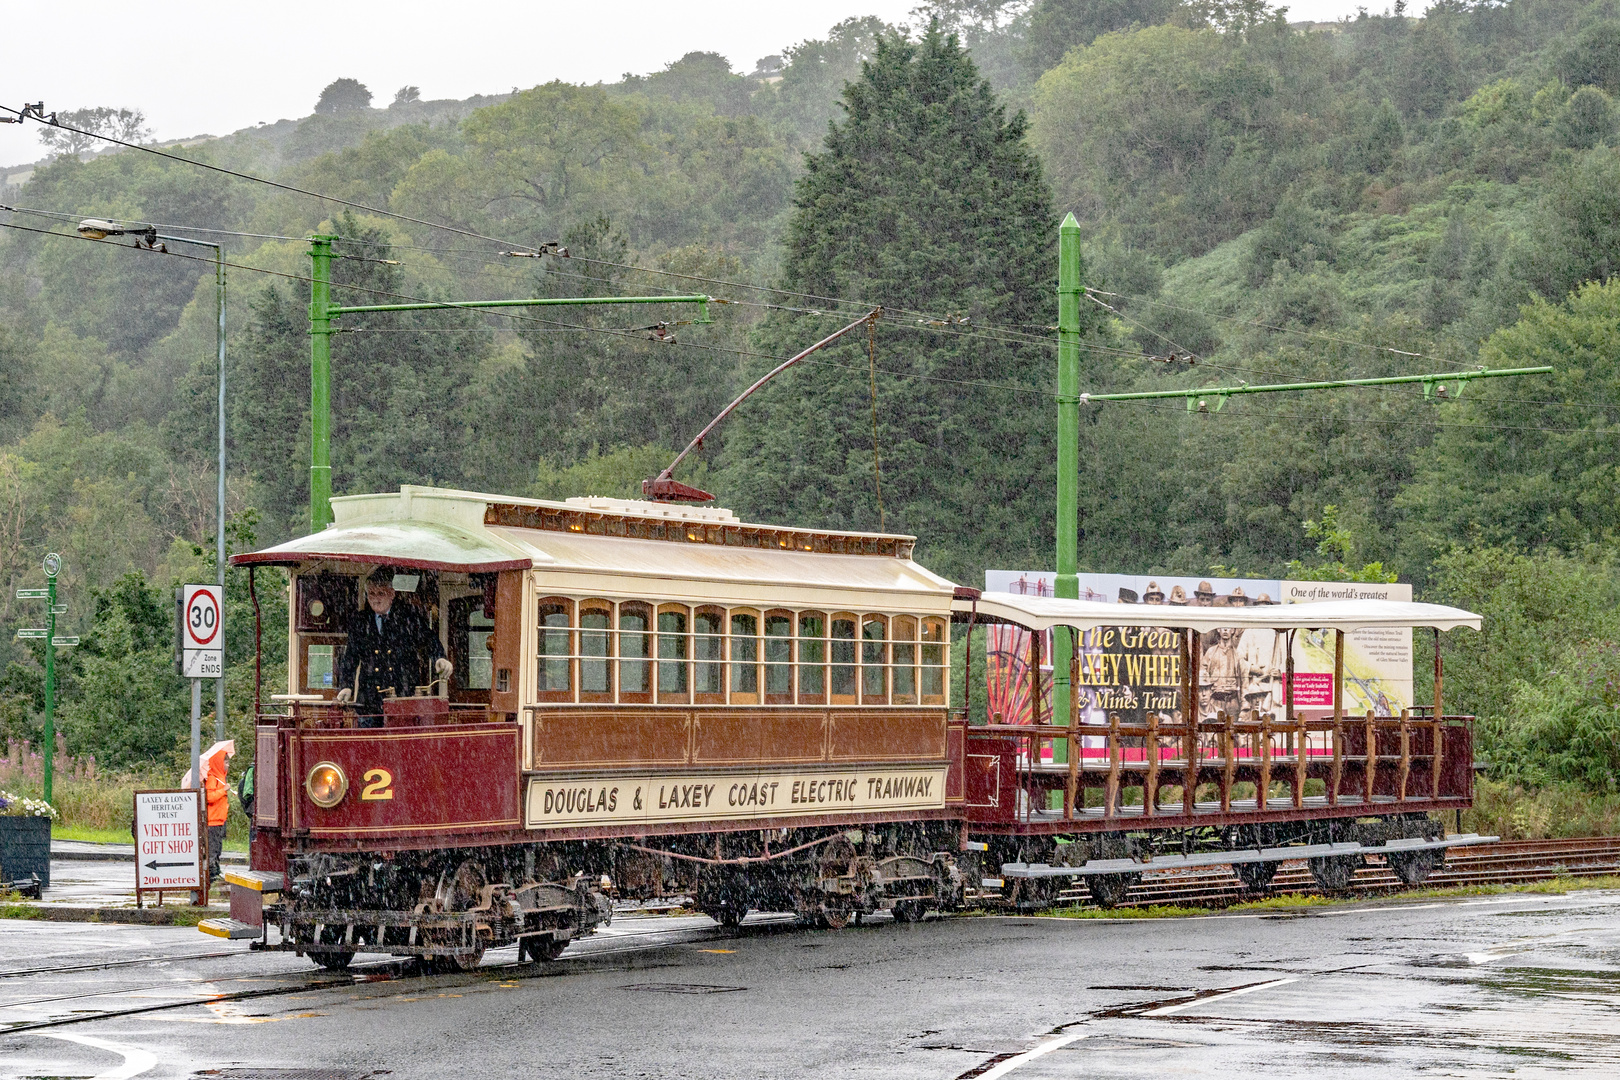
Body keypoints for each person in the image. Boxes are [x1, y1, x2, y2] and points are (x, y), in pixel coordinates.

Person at [335, 567, 452, 728]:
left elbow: (429, 639)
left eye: (380, 594)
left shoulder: (407, 617)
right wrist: (346, 686)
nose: (375, 599)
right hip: (369, 702)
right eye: (371, 594)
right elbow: (350, 657)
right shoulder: (360, 621)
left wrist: (440, 657)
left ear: (392, 594)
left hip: (403, 698)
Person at [205, 750, 228, 881]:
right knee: (213, 850)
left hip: (219, 820)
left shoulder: (220, 778)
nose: (227, 765)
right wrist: (223, 791)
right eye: (225, 762)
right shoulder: (213, 778)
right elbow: (209, 797)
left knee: (217, 849)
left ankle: (214, 873)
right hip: (212, 821)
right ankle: (212, 876)